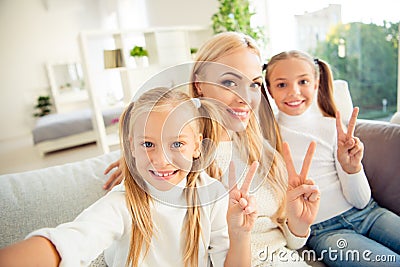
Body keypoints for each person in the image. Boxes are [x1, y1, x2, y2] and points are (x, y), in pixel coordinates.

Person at [103, 32, 321, 266]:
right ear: (199, 84)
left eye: (254, 84)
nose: (245, 98)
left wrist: (299, 225)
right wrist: (141, 155)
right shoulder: (182, 159)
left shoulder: (262, 150)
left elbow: (288, 243)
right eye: (229, 82)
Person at [0, 87, 259, 267]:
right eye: (148, 144)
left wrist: (240, 234)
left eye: (177, 144)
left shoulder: (211, 195)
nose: (161, 160)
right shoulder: (123, 203)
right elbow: (73, 241)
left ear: (197, 148)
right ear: (131, 149)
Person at [264, 50, 400, 266]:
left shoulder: (332, 128)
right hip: (326, 233)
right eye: (282, 85)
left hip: (369, 214)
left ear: (316, 84)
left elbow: (361, 201)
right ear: (269, 89)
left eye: (303, 81)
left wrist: (352, 168)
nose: (294, 92)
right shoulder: (267, 139)